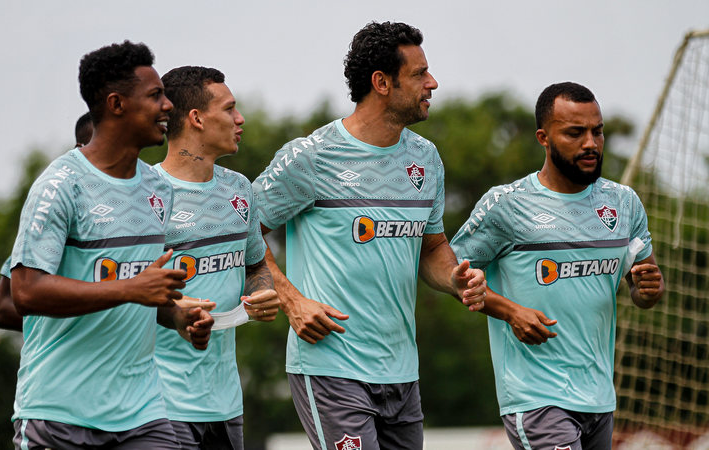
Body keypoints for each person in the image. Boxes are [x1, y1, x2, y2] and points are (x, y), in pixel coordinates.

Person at [251, 21, 487, 450]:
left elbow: (431, 248)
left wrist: (455, 278)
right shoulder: (312, 156)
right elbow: (243, 229)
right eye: (419, 74)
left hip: (402, 373)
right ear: (381, 82)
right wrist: (291, 300)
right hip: (330, 367)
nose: (432, 83)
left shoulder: (425, 158)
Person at [7, 41, 213, 449]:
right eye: (155, 96)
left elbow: (142, 292)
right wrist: (131, 290)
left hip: (143, 413)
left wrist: (175, 317)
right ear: (117, 104)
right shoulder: (61, 184)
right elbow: (24, 291)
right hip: (59, 415)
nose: (168, 105)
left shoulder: (157, 187)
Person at [450, 82, 665, 450]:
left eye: (597, 131)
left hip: (599, 397)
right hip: (537, 398)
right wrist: (510, 311)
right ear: (543, 137)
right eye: (575, 133)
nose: (591, 144)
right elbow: (450, 275)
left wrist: (647, 290)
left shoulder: (623, 202)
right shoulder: (507, 205)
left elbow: (644, 289)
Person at [153, 65, 279, 449]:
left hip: (226, 406)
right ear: (196, 119)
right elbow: (120, 289)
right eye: (229, 109)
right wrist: (173, 305)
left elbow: (256, 264)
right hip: (162, 405)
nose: (239, 119)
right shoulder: (146, 195)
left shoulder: (238, 187)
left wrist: (261, 291)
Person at [0, 111, 95, 332]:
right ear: (79, 148)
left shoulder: (138, 204)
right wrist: (76, 327)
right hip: (66, 360)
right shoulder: (58, 204)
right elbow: (2, 308)